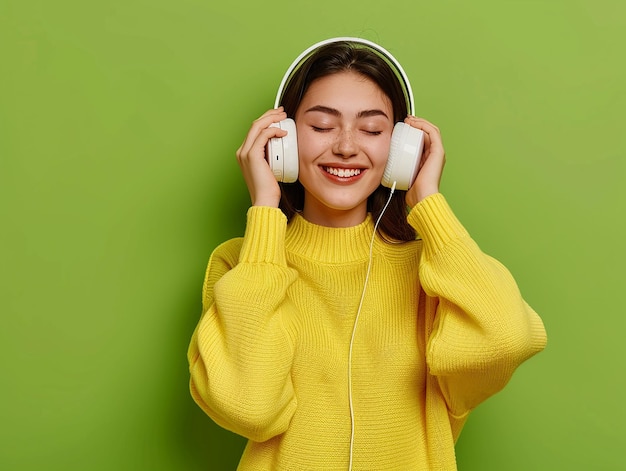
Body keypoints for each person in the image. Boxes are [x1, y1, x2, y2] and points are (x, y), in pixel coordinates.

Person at [187, 37, 547, 470]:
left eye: (372, 130)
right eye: (321, 126)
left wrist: (427, 201)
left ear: (401, 149)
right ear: (281, 140)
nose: (345, 146)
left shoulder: (434, 274)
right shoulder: (244, 265)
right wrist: (265, 210)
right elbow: (248, 406)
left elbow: (506, 339)